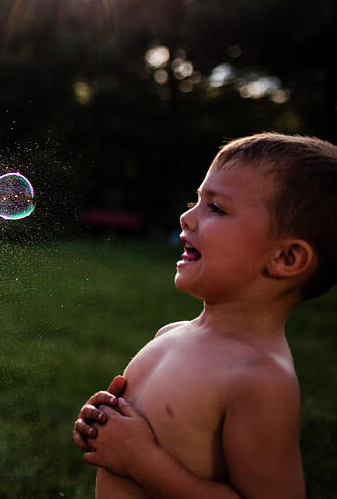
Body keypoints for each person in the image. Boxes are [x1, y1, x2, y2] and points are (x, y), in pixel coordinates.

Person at [72, 132, 337, 498]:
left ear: (285, 259)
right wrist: (101, 425)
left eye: (217, 208)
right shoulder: (170, 334)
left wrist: (141, 460)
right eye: (196, 201)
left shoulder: (259, 378)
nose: (186, 217)